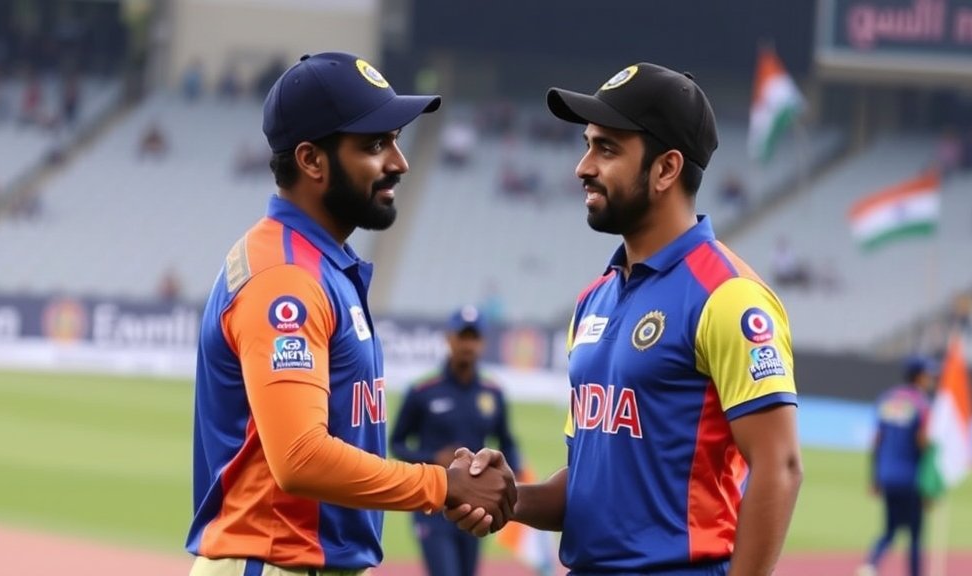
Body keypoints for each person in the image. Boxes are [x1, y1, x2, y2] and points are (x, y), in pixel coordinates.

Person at [451, 62, 804, 575]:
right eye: (588, 144)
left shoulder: (729, 296)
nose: (583, 166)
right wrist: (507, 497)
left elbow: (781, 466)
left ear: (665, 169)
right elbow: (587, 484)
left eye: (607, 149)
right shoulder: (594, 298)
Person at [186, 52, 516, 576]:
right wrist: (442, 484)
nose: (398, 163)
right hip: (276, 563)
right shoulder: (286, 279)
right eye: (374, 145)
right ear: (312, 161)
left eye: (395, 141)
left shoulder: (319, 265)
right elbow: (300, 458)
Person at [391, 305, 522, 576]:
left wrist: (511, 473)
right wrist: (432, 458)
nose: (468, 344)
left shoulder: (492, 394)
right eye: (462, 336)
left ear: (483, 343)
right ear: (449, 339)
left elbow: (507, 441)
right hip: (433, 503)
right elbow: (397, 443)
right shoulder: (422, 392)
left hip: (475, 505)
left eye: (474, 337)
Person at [858, 355, 934, 576]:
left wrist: (874, 476)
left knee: (889, 530)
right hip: (911, 478)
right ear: (919, 376)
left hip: (887, 475)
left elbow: (877, 440)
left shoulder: (887, 399)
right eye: (928, 375)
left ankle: (870, 565)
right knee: (915, 535)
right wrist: (930, 484)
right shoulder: (922, 404)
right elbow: (923, 442)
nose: (930, 379)